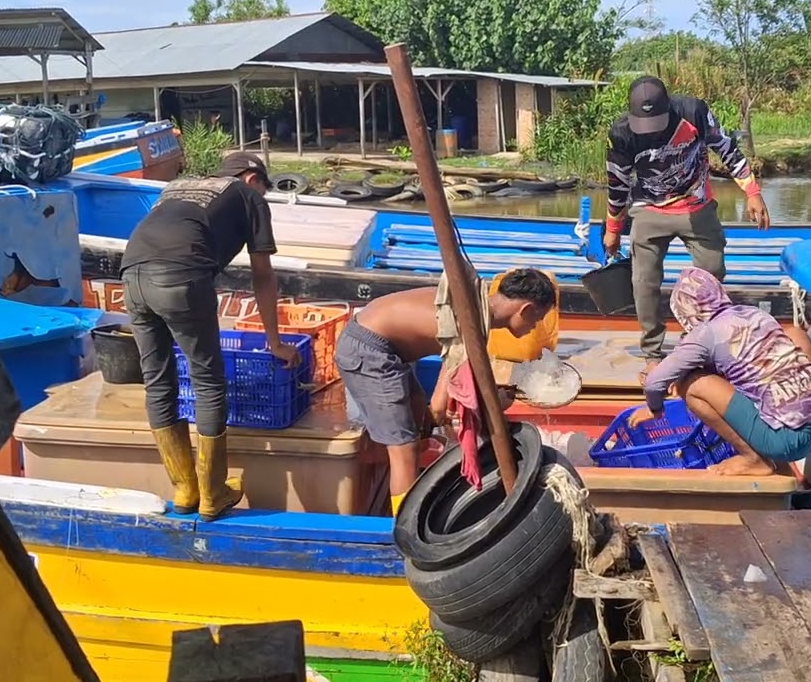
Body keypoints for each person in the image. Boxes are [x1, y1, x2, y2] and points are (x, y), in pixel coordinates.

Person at [121, 151, 302, 522]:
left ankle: (185, 488)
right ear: (253, 178)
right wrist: (275, 341)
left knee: (157, 382)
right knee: (208, 382)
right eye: (264, 191)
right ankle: (213, 493)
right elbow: (263, 275)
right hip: (180, 278)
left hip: (131, 274)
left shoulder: (178, 186)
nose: (262, 199)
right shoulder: (247, 194)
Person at [335, 268, 558, 515]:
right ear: (525, 310)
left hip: (388, 349)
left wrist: (489, 396)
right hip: (369, 350)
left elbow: (452, 390)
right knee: (404, 451)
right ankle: (405, 529)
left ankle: (410, 491)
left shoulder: (476, 301)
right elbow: (441, 404)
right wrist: (490, 403)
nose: (534, 327)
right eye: (537, 320)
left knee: (420, 414)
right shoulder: (471, 323)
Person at [601, 76, 771, 382]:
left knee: (712, 273)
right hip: (649, 209)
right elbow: (617, 185)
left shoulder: (693, 112)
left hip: (697, 204)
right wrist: (613, 228)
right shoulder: (622, 134)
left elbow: (726, 149)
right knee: (643, 282)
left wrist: (752, 191)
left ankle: (699, 344)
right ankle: (653, 353)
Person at [632, 267, 811, 476]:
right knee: (793, 334)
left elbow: (654, 382)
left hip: (788, 440)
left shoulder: (705, 333)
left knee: (692, 385)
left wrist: (655, 408)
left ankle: (754, 459)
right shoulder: (754, 313)